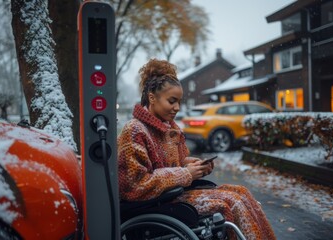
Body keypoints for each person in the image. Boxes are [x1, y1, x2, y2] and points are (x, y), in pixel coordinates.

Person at [117, 58, 276, 240]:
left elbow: (178, 162)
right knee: (234, 203)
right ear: (152, 98)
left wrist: (194, 165)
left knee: (242, 192)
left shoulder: (170, 128)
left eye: (179, 102)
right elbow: (134, 185)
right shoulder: (135, 130)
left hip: (172, 195)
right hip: (155, 203)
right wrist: (185, 174)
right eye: (172, 101)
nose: (177, 107)